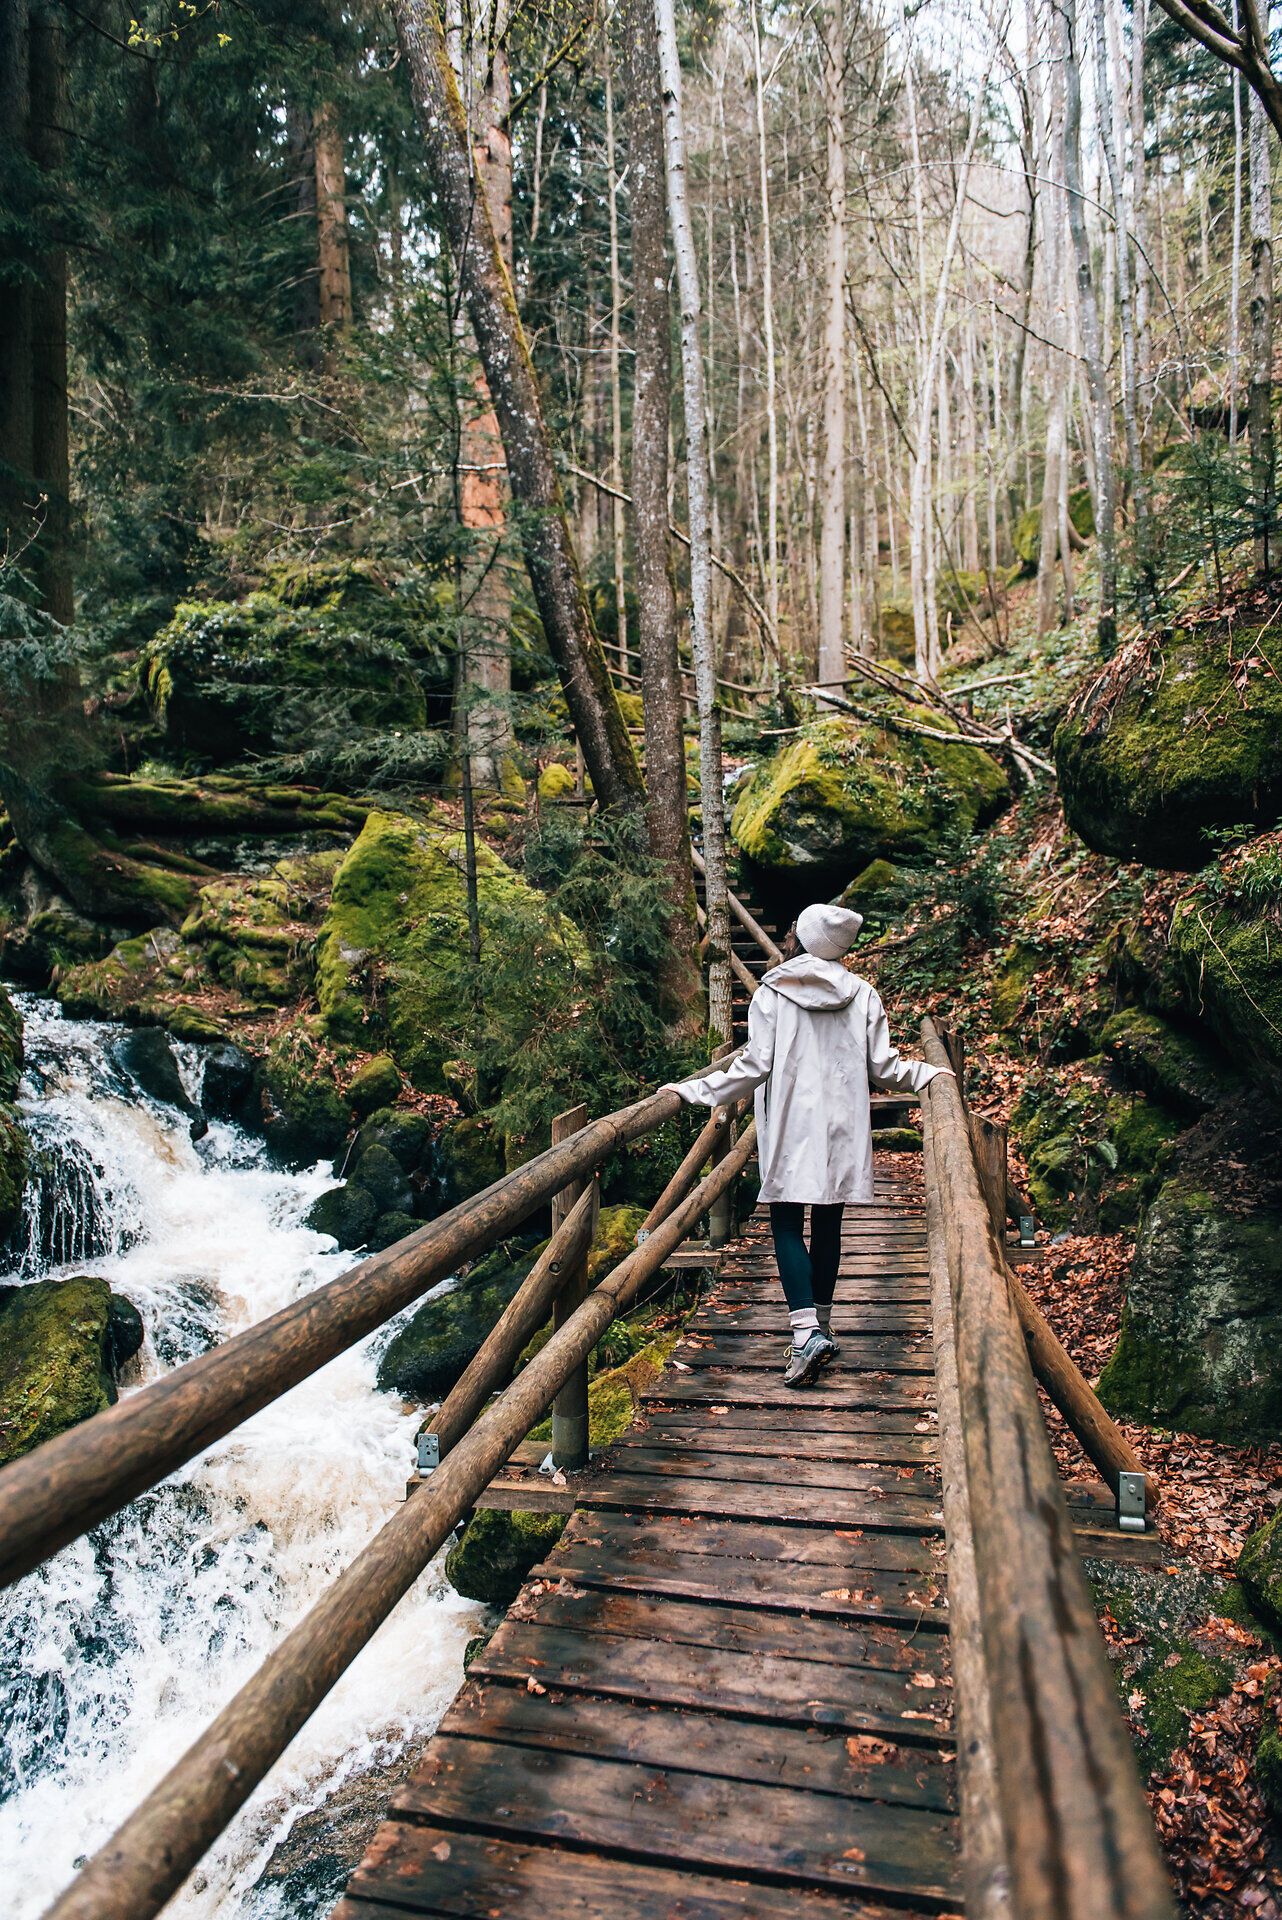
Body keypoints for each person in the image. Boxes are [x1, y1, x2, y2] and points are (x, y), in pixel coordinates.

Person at [665, 901, 952, 1387]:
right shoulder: (863, 994)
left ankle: (804, 1334)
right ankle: (822, 1323)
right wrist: (929, 1072)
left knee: (784, 1224)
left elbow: (754, 1065)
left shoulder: (773, 992)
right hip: (841, 1127)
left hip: (792, 1125)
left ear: (801, 937)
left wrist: (691, 1089)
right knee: (828, 1224)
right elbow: (883, 1068)